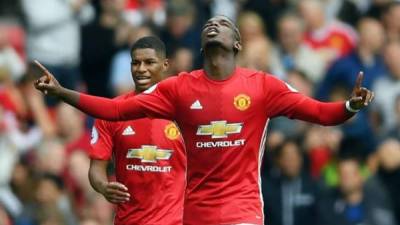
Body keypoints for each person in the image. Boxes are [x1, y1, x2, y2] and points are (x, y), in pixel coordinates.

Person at [34, 15, 374, 225]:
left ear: (237, 43)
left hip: (242, 211)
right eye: (210, 24)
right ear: (201, 45)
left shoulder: (262, 86)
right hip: (195, 213)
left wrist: (350, 106)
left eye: (224, 24)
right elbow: (115, 110)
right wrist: (62, 92)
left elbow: (318, 112)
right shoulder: (180, 88)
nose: (214, 24)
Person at [88, 36, 186, 225]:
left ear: (165, 65)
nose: (141, 69)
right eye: (135, 63)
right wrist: (104, 187)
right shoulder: (111, 112)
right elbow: (96, 169)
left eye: (149, 62)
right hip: (129, 220)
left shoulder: (184, 112)